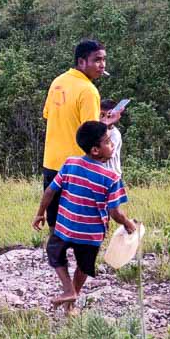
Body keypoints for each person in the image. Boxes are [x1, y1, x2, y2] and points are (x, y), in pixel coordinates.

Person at [33, 121, 137, 316]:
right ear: (96, 150)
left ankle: (68, 290)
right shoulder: (112, 177)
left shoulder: (70, 163)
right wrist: (129, 224)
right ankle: (72, 298)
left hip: (65, 227)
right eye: (108, 142)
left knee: (54, 253)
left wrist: (40, 213)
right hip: (91, 235)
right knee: (84, 266)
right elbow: (116, 213)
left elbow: (50, 191)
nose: (112, 145)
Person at [41, 40, 114, 228]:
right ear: (82, 62)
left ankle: (55, 257)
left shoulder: (58, 82)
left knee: (55, 224)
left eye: (104, 60)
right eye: (97, 60)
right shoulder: (89, 91)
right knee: (81, 224)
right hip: (76, 168)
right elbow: (92, 134)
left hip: (51, 163)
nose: (102, 65)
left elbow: (48, 115)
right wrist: (108, 123)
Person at [99, 100, 124, 177]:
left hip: (111, 176)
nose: (101, 118)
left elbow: (104, 157)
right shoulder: (97, 130)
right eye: (100, 115)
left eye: (104, 115)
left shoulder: (115, 134)